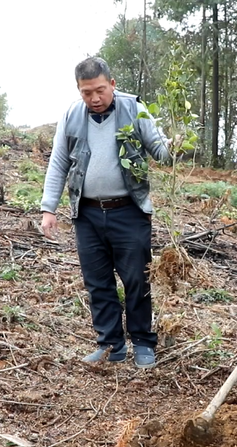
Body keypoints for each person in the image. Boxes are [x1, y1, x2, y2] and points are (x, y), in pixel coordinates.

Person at [40, 57, 169, 368]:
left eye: (100, 90)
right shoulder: (72, 115)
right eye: (87, 93)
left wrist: (174, 145)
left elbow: (159, 150)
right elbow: (59, 162)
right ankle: (111, 343)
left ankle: (142, 342)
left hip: (129, 211)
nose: (94, 99)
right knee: (97, 281)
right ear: (79, 91)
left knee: (137, 278)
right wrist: (49, 208)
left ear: (112, 84)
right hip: (87, 213)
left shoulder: (133, 108)